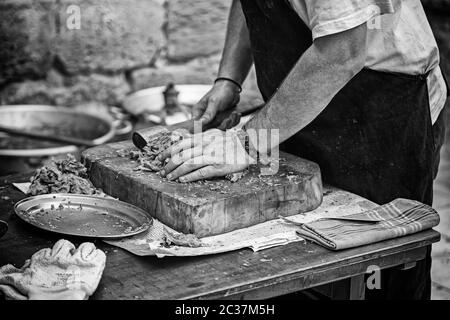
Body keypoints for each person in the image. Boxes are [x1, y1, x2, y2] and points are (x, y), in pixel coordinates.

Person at [158, 0, 449, 299]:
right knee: (299, 265)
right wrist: (228, 79)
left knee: (375, 274)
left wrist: (245, 142)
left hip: (380, 114)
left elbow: (342, 53)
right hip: (305, 109)